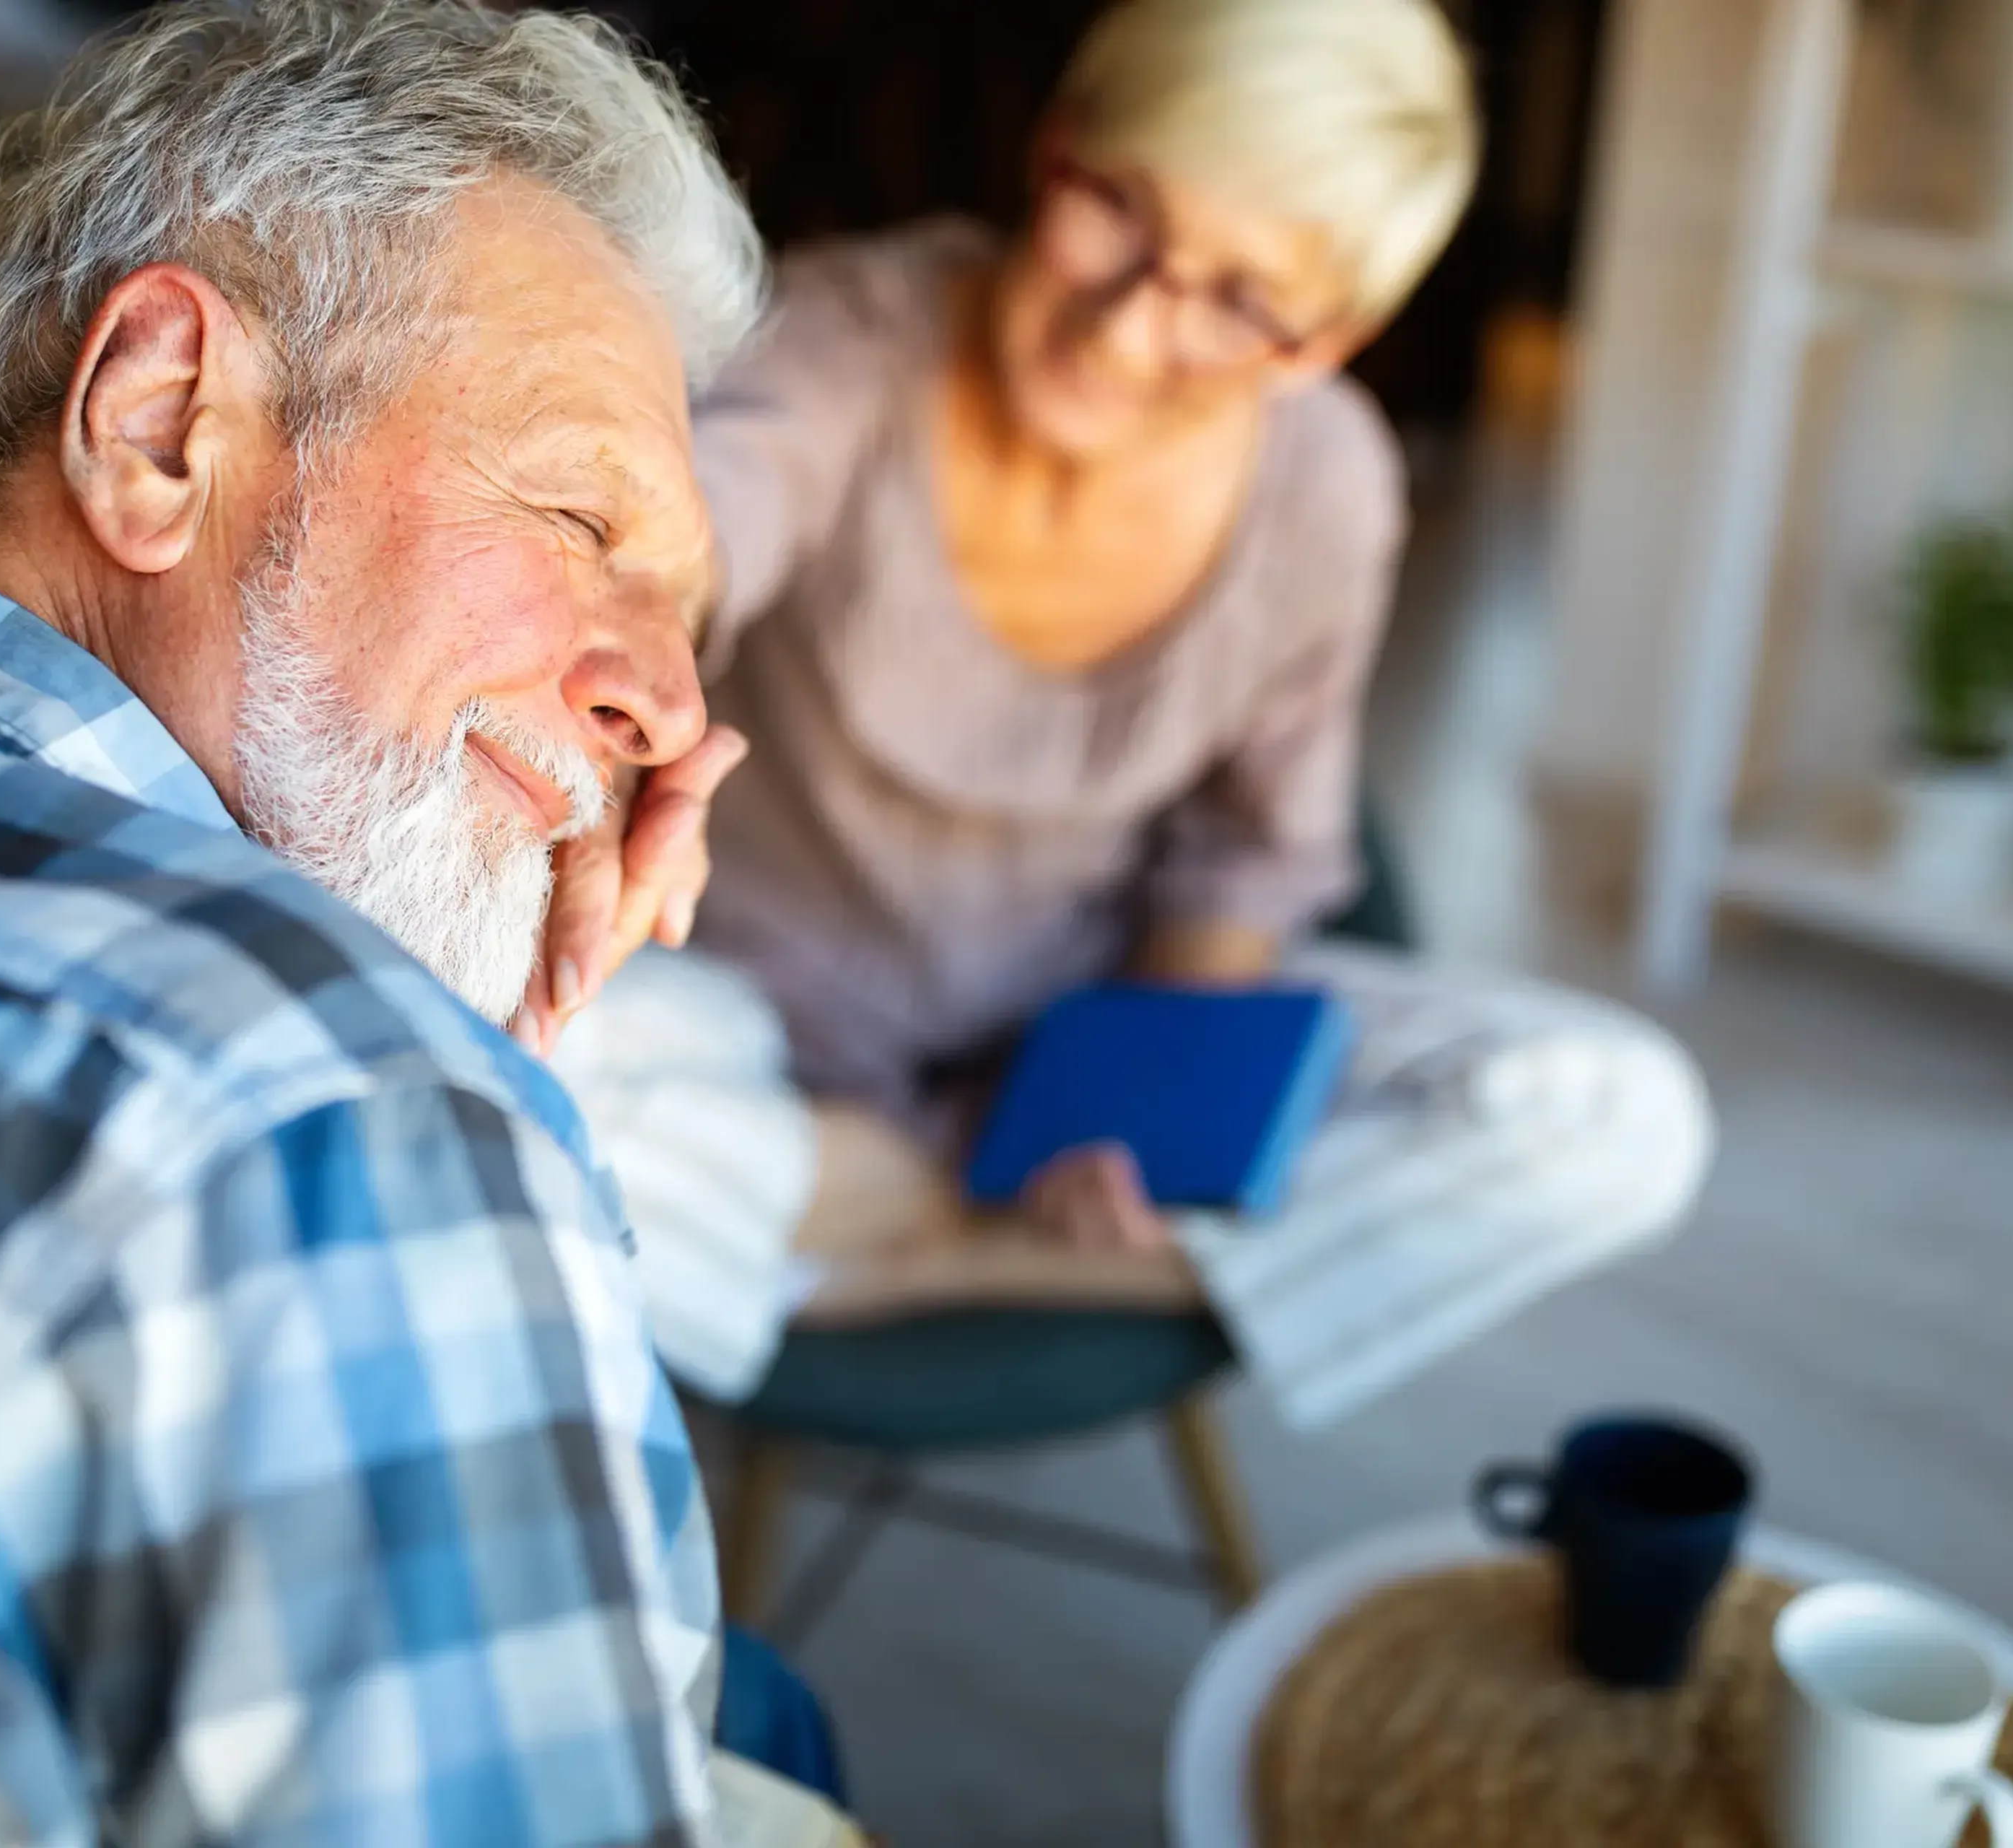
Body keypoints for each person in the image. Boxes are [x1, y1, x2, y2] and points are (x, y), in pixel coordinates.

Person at [0, 4, 830, 1840]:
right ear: (156, 427)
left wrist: (462, 1057)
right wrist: (447, 1138)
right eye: (574, 517)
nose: (674, 712)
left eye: (689, 621)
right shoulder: (325, 1134)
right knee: (785, 1732)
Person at [532, 0, 1710, 1385]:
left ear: (1323, 342)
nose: (1133, 325)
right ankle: (960, 1233)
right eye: (1121, 210)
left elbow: (1241, 864)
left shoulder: (1326, 486)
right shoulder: (852, 332)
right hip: (747, 1036)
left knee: (1615, 1113)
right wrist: (640, 610)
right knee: (482, 1051)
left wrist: (1121, 1123)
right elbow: (695, 534)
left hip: (1072, 1017)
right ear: (1057, 146)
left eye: (1239, 300)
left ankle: (884, 1245)